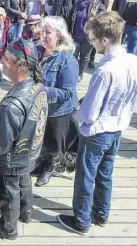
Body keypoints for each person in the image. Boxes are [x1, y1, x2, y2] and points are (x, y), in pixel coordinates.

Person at [57, 11, 137, 235]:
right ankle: (101, 214)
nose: (91, 43)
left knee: (85, 176)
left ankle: (81, 221)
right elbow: (136, 95)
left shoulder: (105, 71)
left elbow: (90, 112)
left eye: (93, 39)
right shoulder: (134, 61)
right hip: (117, 128)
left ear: (105, 40)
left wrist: (77, 112)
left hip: (97, 132)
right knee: (105, 173)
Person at [0, 38, 48, 240]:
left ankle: (9, 230)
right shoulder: (38, 86)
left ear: (20, 65)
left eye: (7, 59)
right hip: (31, 152)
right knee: (25, 181)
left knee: (10, 192)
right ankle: (26, 214)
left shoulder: (12, 104)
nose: (1, 61)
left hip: (11, 160)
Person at [35, 16, 79, 187]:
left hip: (58, 111)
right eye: (42, 32)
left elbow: (67, 92)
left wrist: (41, 91)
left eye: (48, 33)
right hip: (40, 107)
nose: (43, 36)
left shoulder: (67, 60)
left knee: (55, 143)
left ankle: (50, 167)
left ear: (59, 36)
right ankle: (41, 162)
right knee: (40, 139)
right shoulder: (39, 52)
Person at [70, 0, 106, 82]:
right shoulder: (77, 4)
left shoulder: (99, 6)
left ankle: (80, 74)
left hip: (89, 37)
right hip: (75, 35)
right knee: (73, 55)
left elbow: (102, 23)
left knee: (85, 56)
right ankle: (72, 73)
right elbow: (70, 19)